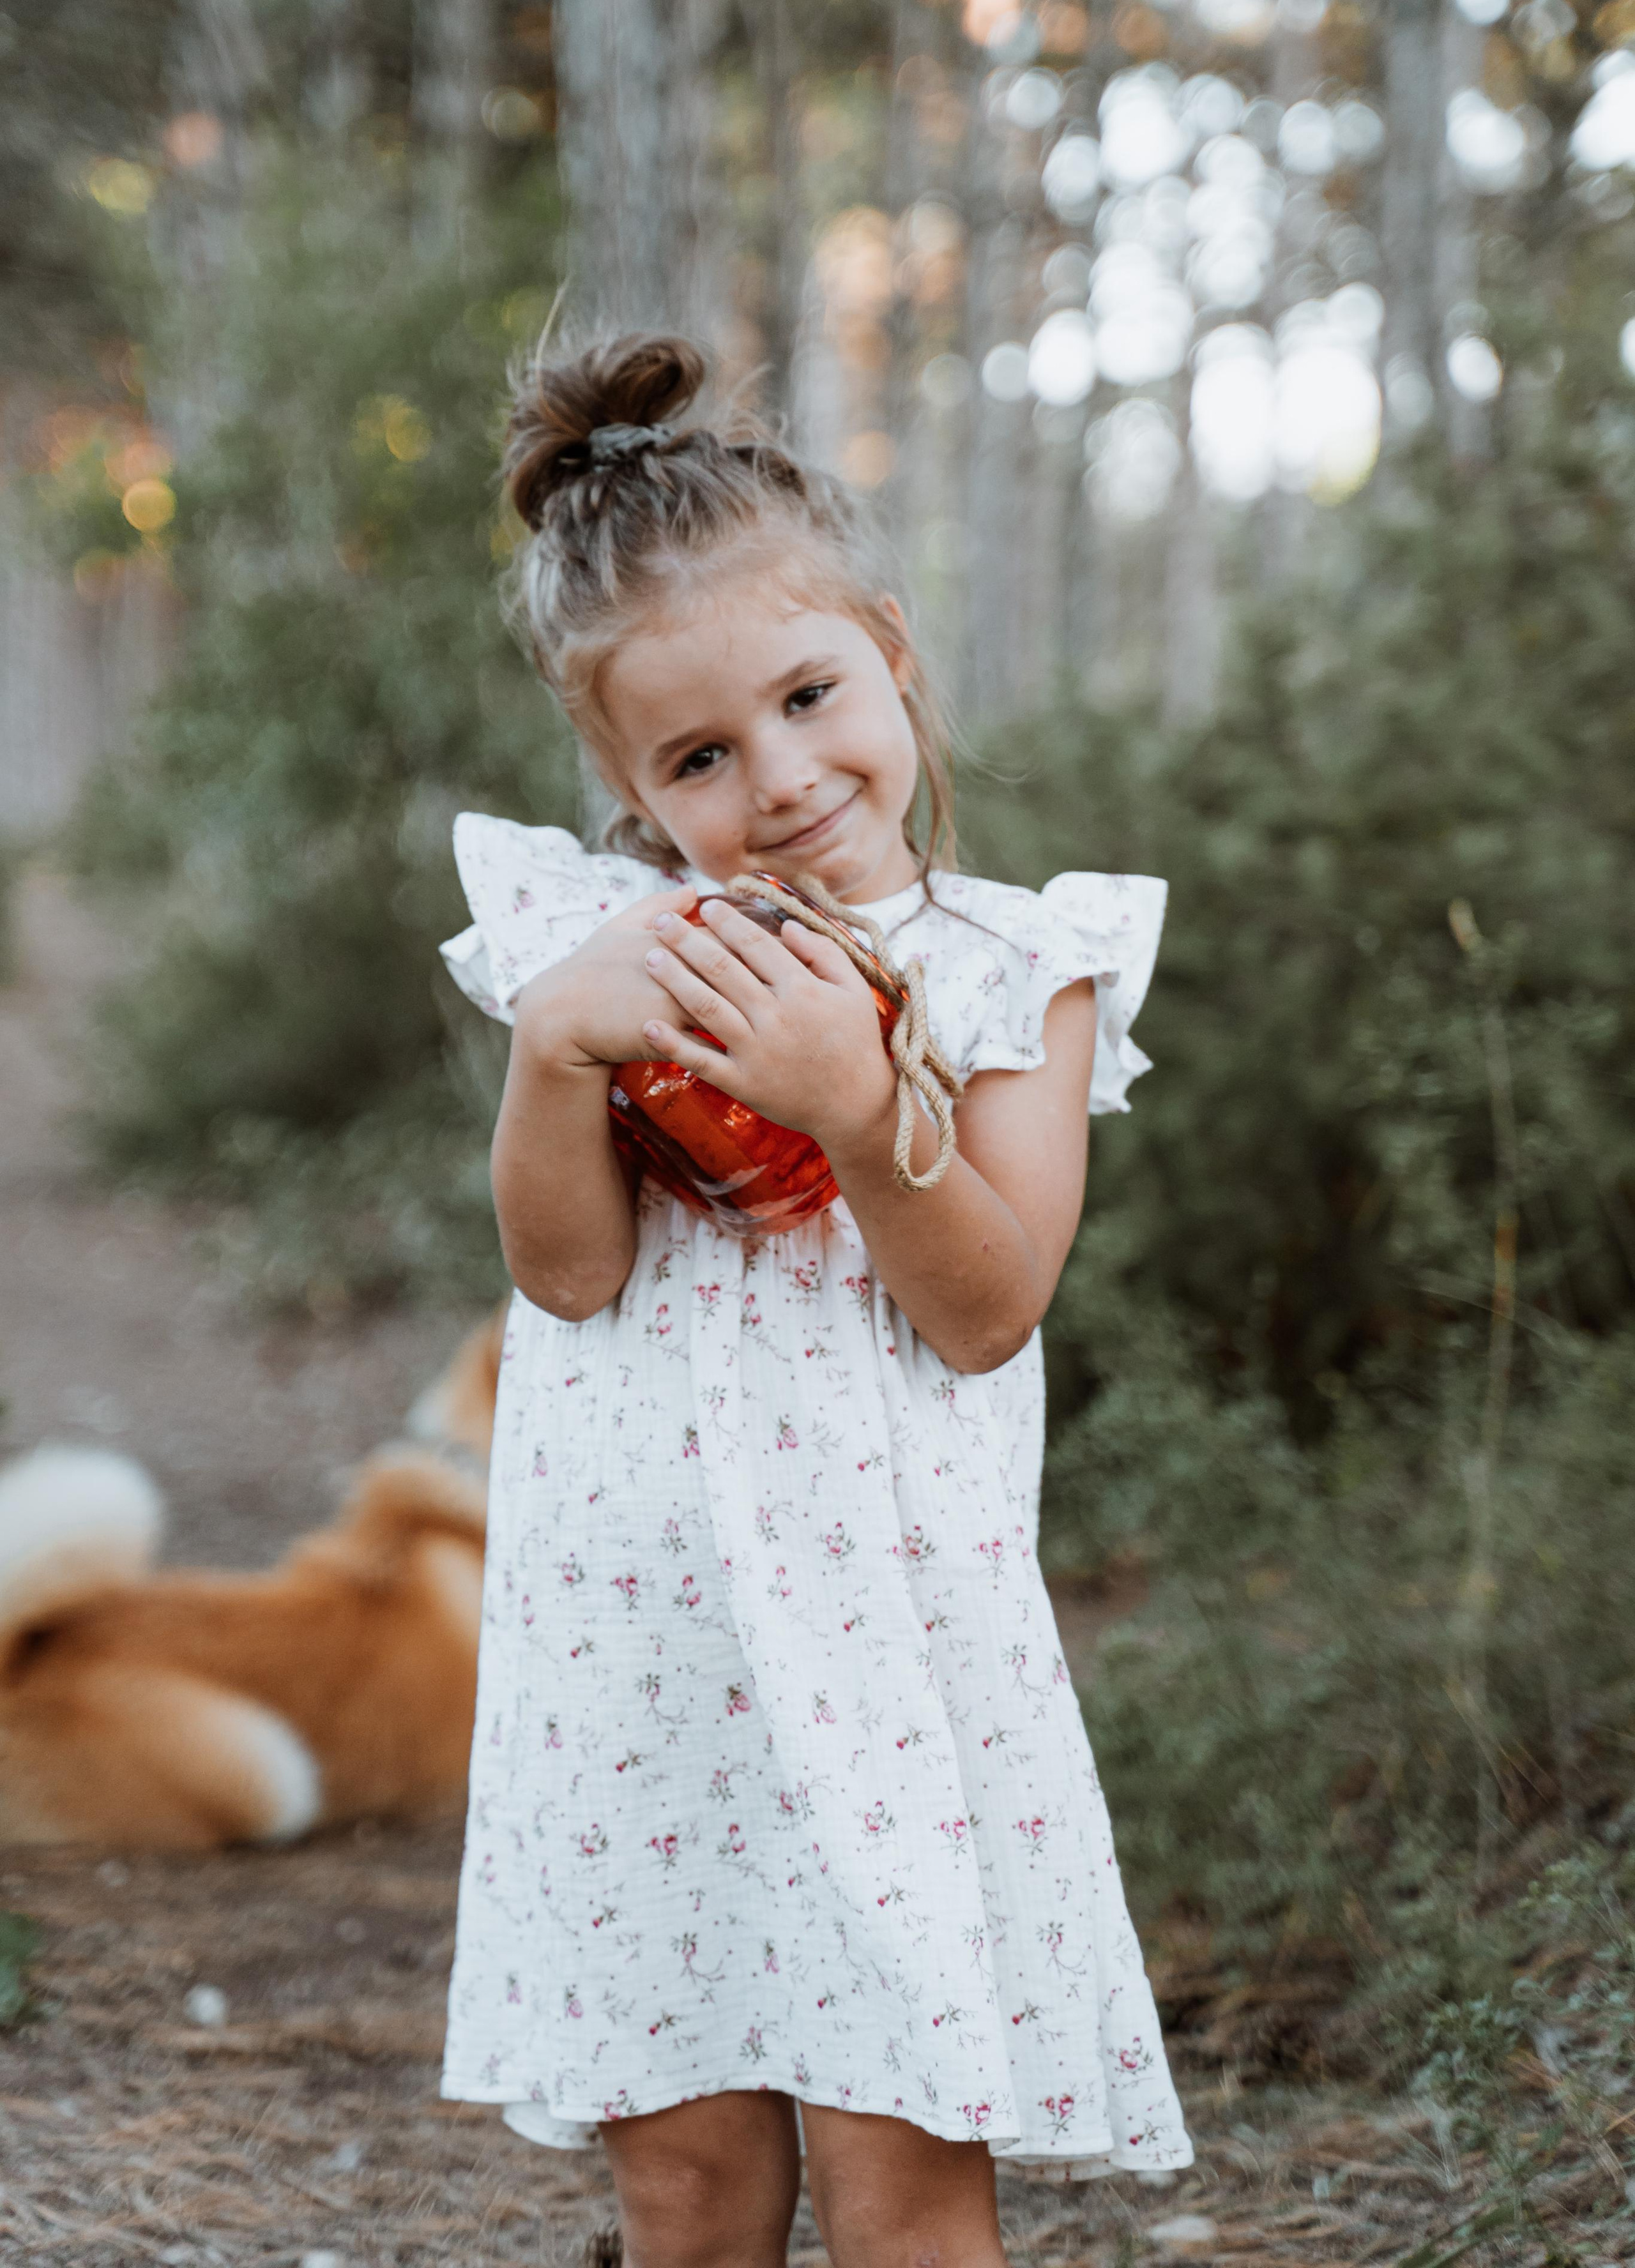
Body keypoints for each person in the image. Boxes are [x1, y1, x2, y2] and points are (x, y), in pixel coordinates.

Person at [439, 331, 1191, 2268]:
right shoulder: (613, 957)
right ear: (624, 781)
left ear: (892, 650)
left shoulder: (1017, 971)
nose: (778, 781)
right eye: (699, 755)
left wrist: (866, 1110)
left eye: (807, 696)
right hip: (640, 1656)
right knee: (681, 2182)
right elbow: (573, 1272)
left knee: (905, 2171)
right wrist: (551, 1062)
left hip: (894, 1666)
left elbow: (985, 1309)